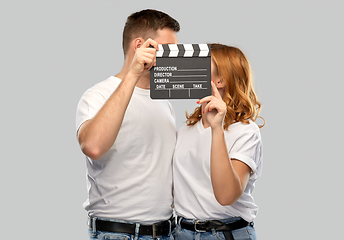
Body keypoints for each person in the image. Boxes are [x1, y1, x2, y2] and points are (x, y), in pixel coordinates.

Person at [75, 9, 180, 240]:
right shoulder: (97, 95)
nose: (174, 58)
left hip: (166, 232)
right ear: (141, 46)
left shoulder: (165, 103)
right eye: (168, 50)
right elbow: (92, 146)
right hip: (119, 233)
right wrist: (132, 75)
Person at [173, 43, 264, 240]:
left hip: (226, 234)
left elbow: (226, 196)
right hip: (181, 233)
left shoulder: (246, 132)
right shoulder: (184, 132)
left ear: (220, 79)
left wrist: (217, 129)